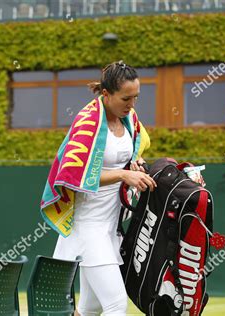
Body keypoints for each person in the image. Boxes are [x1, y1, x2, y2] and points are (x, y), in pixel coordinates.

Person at [40, 61, 156, 316]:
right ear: (106, 94)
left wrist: (133, 165)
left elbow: (134, 150)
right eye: (126, 98)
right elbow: (72, 174)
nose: (132, 104)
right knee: (115, 305)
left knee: (89, 309)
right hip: (88, 227)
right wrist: (124, 174)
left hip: (110, 227)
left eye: (136, 97)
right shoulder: (87, 122)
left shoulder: (130, 119)